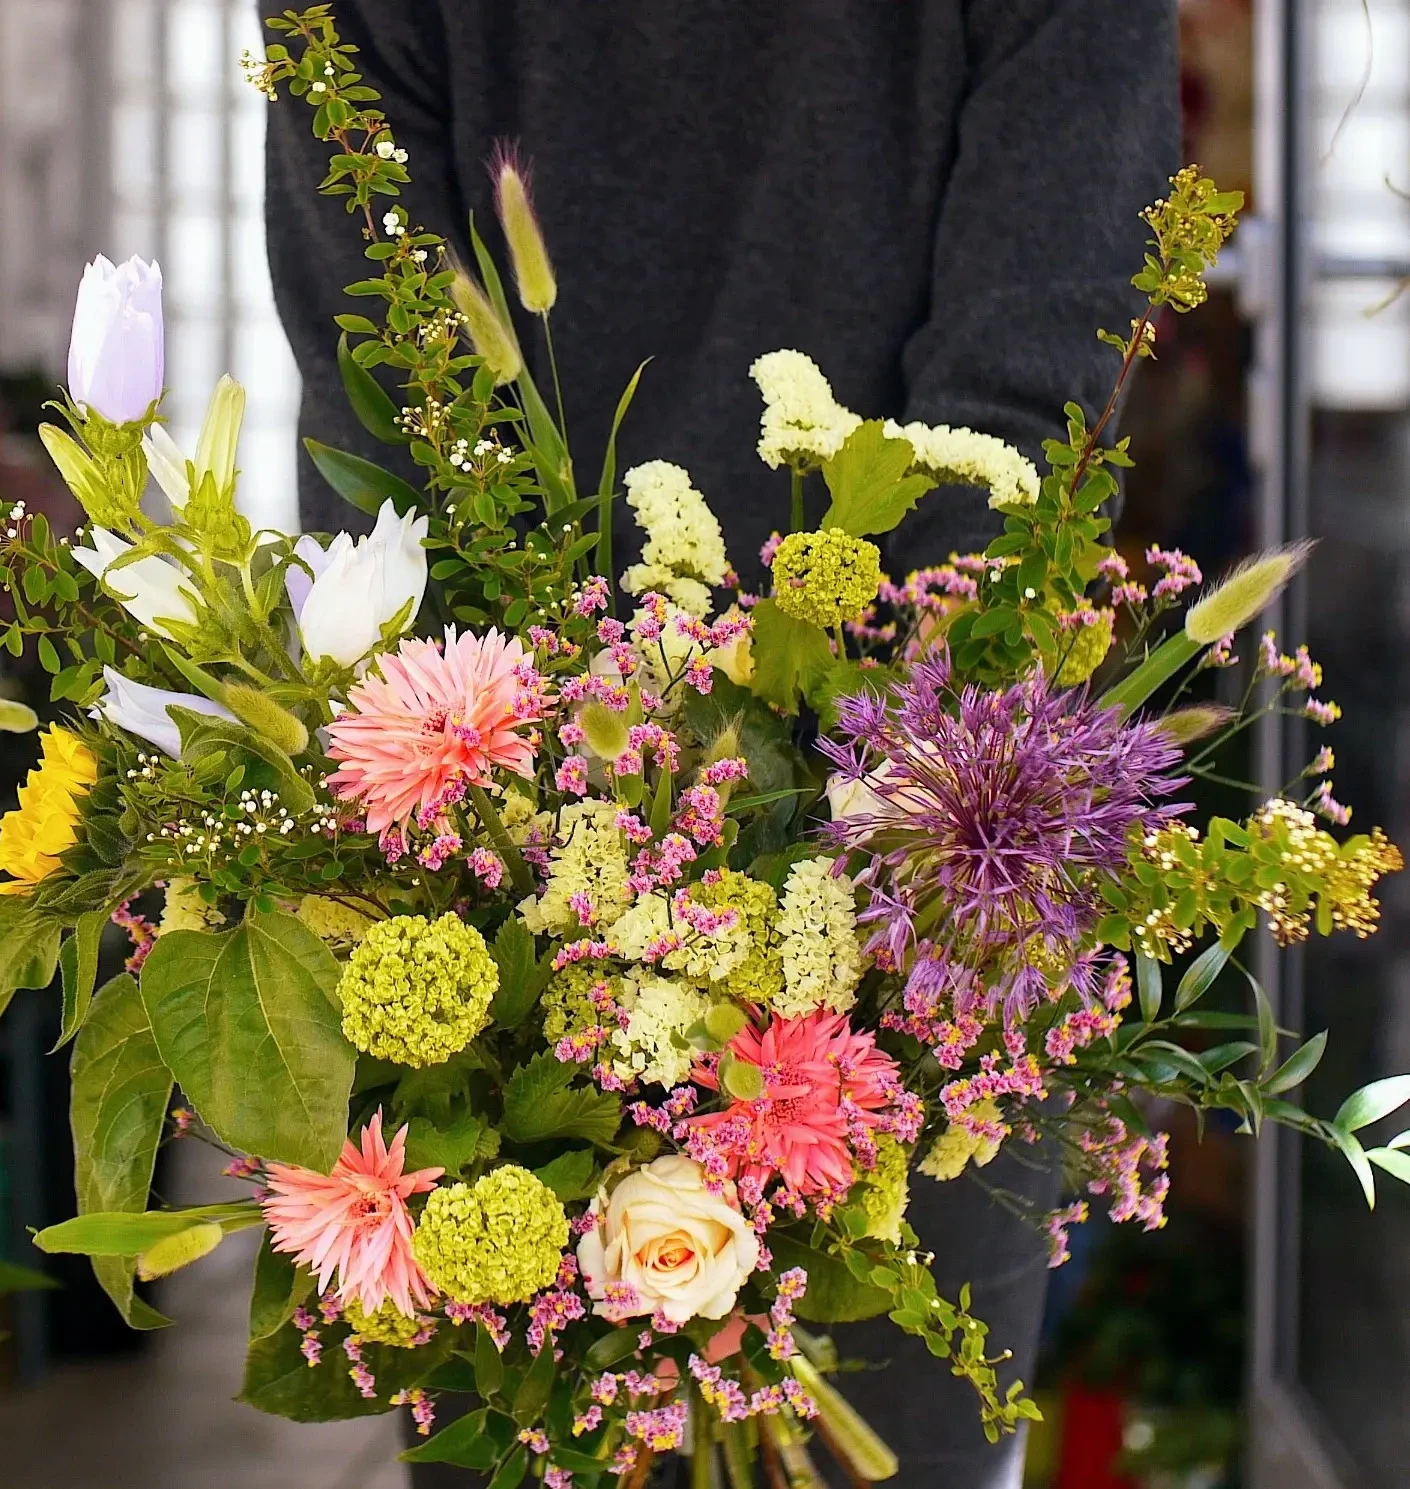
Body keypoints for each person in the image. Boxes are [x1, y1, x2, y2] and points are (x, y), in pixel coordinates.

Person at [261, 4, 1180, 1485]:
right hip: (825, 849)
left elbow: (383, 390)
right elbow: (1026, 396)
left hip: (739, 867)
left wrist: (564, 829)